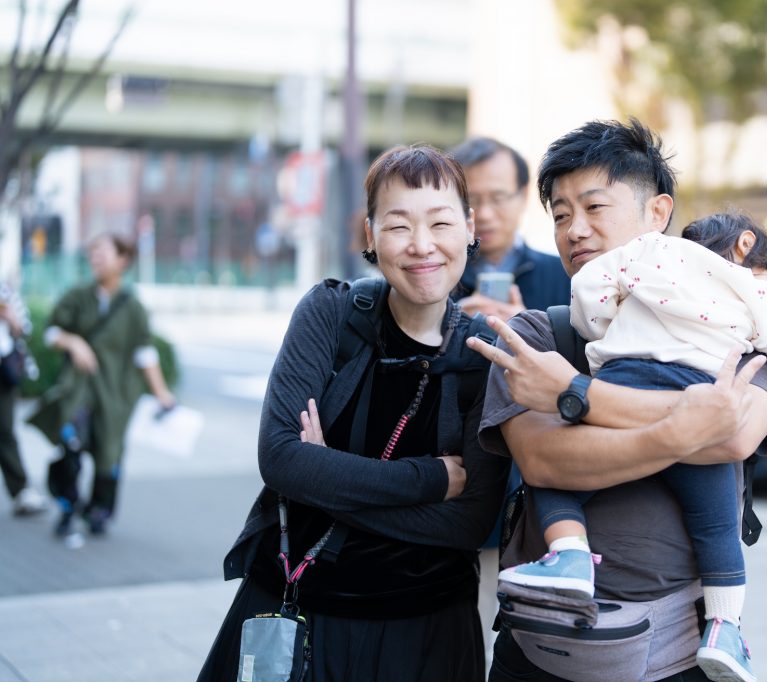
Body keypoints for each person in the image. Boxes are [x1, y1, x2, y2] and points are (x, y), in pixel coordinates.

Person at [466, 119, 767, 682]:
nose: (574, 230)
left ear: (657, 214)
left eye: (594, 207)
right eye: (560, 215)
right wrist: (685, 429)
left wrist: (573, 393)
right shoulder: (537, 335)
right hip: (541, 654)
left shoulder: (735, 328)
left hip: (681, 657)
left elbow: (733, 433)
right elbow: (545, 460)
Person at [198, 145, 509, 682]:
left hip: (425, 635)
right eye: (398, 226)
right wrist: (431, 477)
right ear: (369, 234)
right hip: (299, 614)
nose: (422, 245)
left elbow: (469, 522)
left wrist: (321, 478)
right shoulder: (329, 313)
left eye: (440, 222)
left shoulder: (485, 354)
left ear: (468, 227)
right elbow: (279, 460)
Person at [497, 211, 767, 682]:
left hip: (624, 375)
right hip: (701, 396)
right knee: (716, 529)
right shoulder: (762, 293)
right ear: (747, 244)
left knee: (559, 480)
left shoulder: (649, 252)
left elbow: (590, 291)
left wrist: (610, 327)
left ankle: (569, 555)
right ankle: (725, 629)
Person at [28, 232, 176, 542]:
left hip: (115, 395)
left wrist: (161, 392)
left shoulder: (133, 307)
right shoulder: (78, 296)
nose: (96, 258)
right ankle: (68, 505)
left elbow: (144, 352)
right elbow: (50, 333)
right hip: (79, 391)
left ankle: (98, 512)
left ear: (123, 260)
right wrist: (74, 342)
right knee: (70, 444)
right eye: (93, 252)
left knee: (109, 455)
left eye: (103, 252)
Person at [449, 137, 570, 320]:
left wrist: (531, 328)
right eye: (471, 200)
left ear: (523, 196)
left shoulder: (565, 276)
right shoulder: (436, 276)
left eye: (498, 198)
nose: (484, 214)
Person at [0, 280, 47, 517]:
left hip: (3, 369)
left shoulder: (5, 290)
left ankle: (20, 490)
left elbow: (24, 328)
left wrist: (11, 319)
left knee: (5, 430)